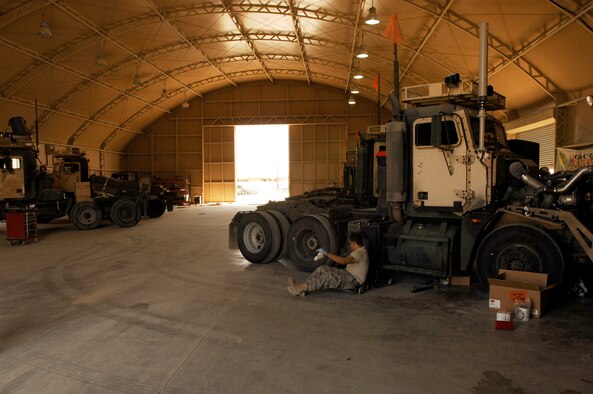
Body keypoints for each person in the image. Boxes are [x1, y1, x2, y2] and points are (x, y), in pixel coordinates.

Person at [287, 231, 369, 296]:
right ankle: (303, 288)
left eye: (350, 243)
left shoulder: (360, 253)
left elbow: (343, 261)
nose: (350, 245)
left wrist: (326, 253)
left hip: (353, 281)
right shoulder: (359, 252)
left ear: (354, 243)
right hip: (347, 274)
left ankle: (300, 288)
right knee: (322, 268)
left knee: (328, 276)